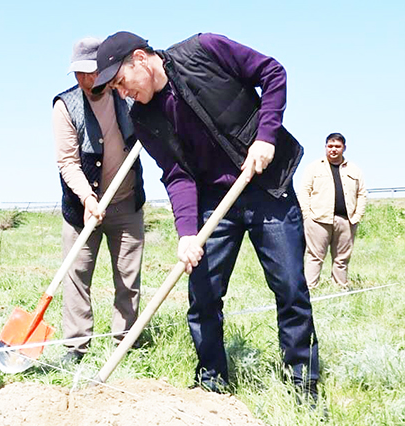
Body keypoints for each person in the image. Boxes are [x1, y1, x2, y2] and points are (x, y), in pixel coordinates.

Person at [93, 31, 319, 398]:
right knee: (203, 295)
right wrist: (186, 233)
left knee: (291, 287)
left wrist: (266, 135)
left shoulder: (205, 50)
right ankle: (211, 384)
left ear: (139, 58)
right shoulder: (144, 119)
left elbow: (273, 73)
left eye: (121, 82)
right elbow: (176, 174)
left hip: (266, 187)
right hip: (215, 201)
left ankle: (303, 385)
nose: (123, 93)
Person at [52, 37, 145, 365]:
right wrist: (88, 198)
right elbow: (67, 162)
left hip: (126, 202)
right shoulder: (65, 106)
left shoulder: (128, 96)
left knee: (128, 275)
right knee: (77, 275)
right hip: (82, 208)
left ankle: (125, 341)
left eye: (90, 72)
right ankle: (75, 347)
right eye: (78, 73)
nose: (85, 79)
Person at [298, 132, 367, 289]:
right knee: (315, 256)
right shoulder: (313, 168)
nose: (333, 149)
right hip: (318, 220)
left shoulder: (355, 170)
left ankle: (340, 288)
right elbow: (304, 192)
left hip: (346, 220)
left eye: (337, 146)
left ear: (344, 148)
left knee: (342, 258)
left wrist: (356, 216)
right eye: (330, 146)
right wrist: (307, 215)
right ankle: (310, 290)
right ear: (325, 147)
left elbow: (362, 194)